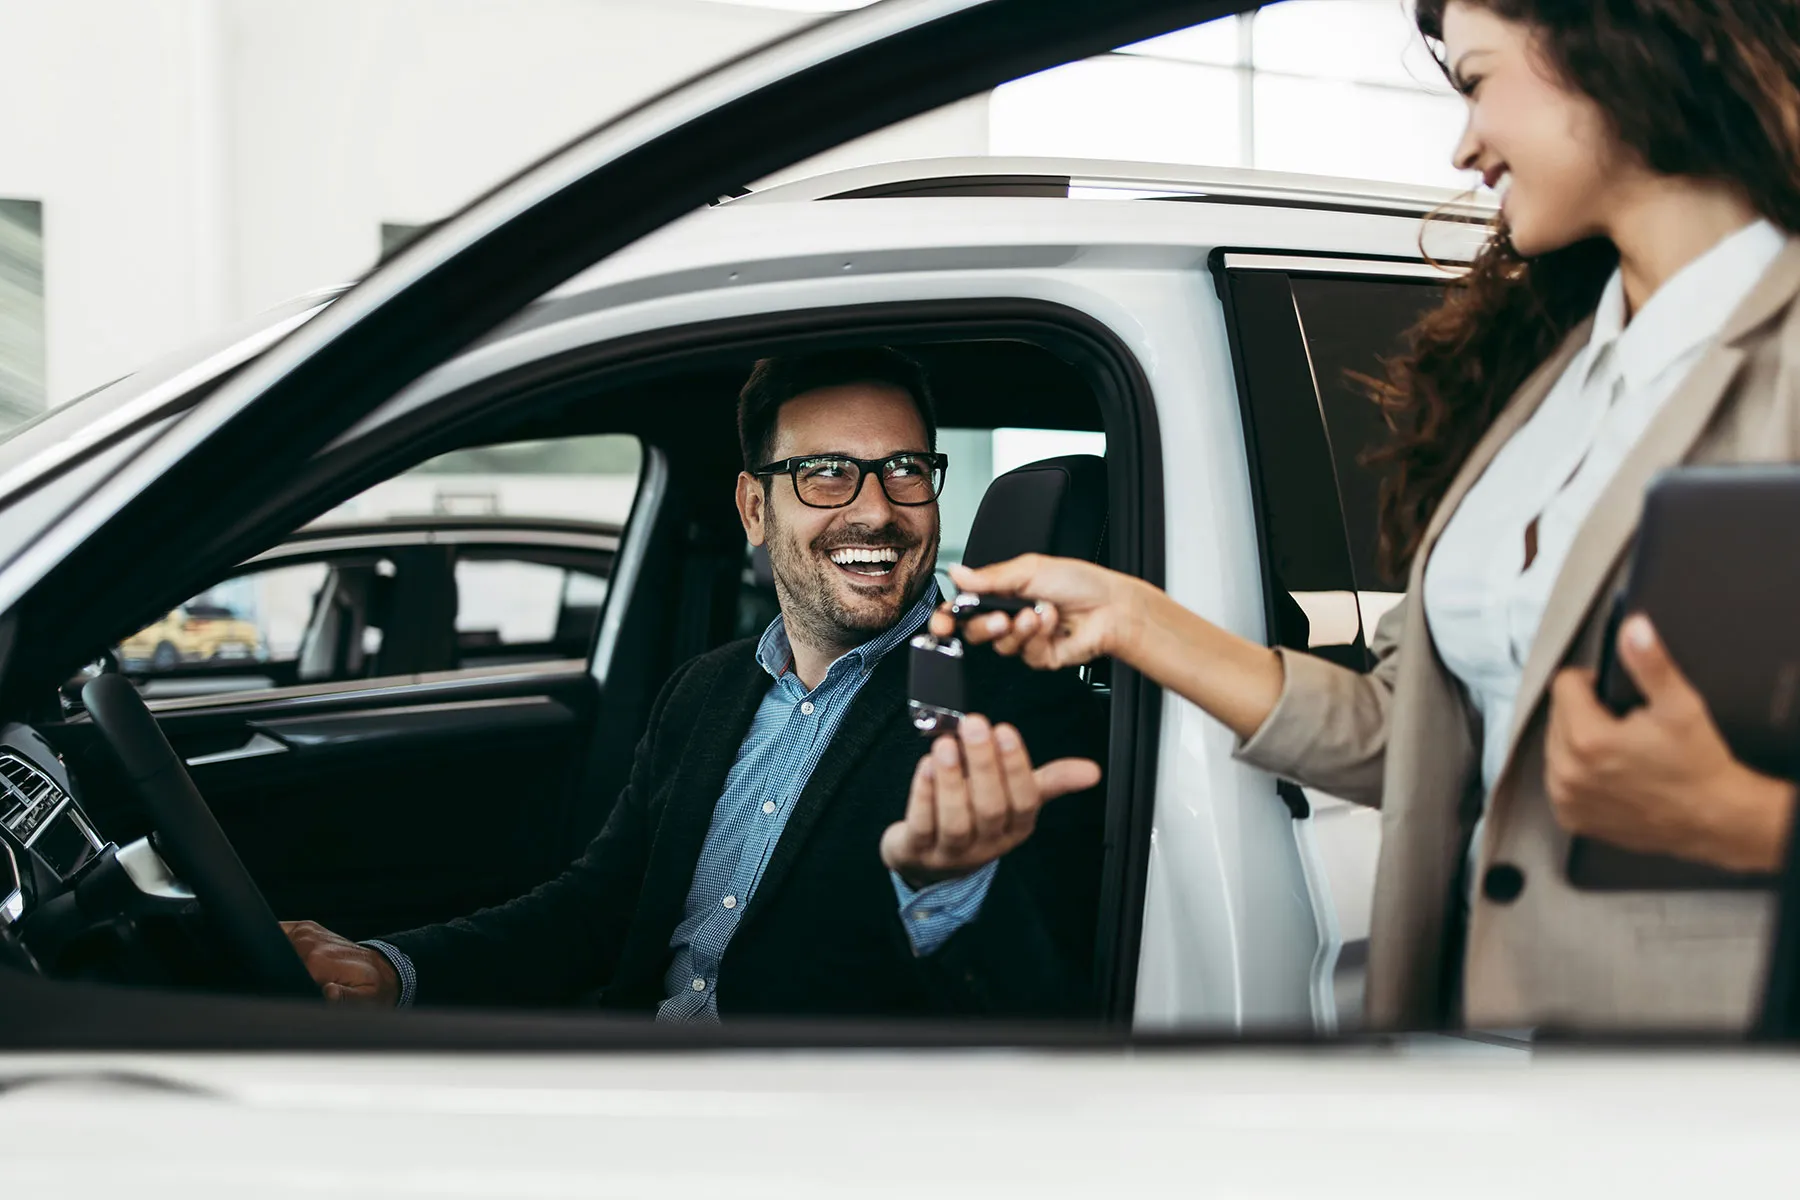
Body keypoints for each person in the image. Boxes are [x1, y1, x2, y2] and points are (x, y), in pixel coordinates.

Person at [932, 0, 1800, 1033]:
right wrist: (1134, 620)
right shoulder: (1553, 376)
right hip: (1471, 1053)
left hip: (1705, 1086)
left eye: (1477, 82)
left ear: (1618, 52)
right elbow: (1414, 736)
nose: (1464, 143)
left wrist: (1744, 822)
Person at [283, 348, 1106, 1019]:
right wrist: (392, 972)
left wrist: (948, 889)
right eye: (826, 473)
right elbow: (598, 908)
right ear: (754, 508)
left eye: (904, 470)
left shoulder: (1016, 706)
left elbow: (1041, 1005)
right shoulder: (704, 692)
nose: (878, 511)